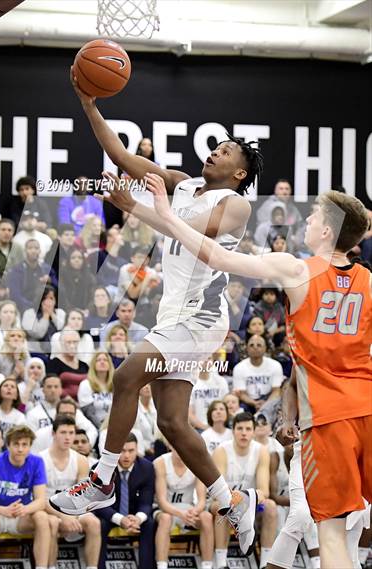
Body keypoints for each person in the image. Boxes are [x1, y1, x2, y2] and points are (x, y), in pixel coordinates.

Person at [50, 70, 264, 555]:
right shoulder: (182, 183)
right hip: (175, 317)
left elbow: (179, 226)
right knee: (171, 422)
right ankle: (233, 500)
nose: (215, 150)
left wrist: (134, 206)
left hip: (203, 319)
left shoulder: (234, 205)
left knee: (126, 376)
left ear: (240, 173)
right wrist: (89, 103)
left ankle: (102, 476)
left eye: (226, 151)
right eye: (217, 146)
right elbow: (123, 158)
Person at [148, 179, 372, 568]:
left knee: (332, 533)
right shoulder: (369, 281)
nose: (307, 219)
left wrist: (166, 215)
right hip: (368, 405)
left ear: (327, 230)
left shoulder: (296, 268)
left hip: (330, 418)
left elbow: (219, 258)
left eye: (316, 214)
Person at [0, 425, 50, 569]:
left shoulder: (37, 462)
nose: (20, 449)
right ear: (8, 445)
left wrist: (25, 509)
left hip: (21, 517)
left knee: (42, 517)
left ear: (30, 446)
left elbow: (41, 501)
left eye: (25, 445)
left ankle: (42, 567)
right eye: (16, 444)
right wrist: (3, 510)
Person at [212, 412, 275, 569]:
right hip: (224, 500)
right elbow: (217, 490)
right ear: (233, 431)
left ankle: (265, 563)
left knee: (271, 507)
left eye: (248, 429)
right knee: (222, 508)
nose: (244, 433)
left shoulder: (261, 451)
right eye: (240, 428)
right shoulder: (221, 450)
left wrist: (245, 498)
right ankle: (221, 563)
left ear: (253, 431)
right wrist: (234, 500)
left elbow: (264, 490)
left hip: (250, 502)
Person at [40, 416, 101, 569]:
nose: (68, 437)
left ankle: (92, 567)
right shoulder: (40, 460)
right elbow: (39, 499)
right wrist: (63, 516)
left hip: (71, 510)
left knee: (94, 522)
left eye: (71, 432)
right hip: (47, 509)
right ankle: (51, 566)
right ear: (54, 434)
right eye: (63, 432)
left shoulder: (80, 460)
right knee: (51, 523)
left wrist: (71, 516)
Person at [93, 433, 155, 569]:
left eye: (131, 451)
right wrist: (120, 519)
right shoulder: (101, 468)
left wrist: (138, 519)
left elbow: (146, 501)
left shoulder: (147, 468)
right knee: (99, 525)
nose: (126, 455)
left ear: (137, 449)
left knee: (149, 523)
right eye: (122, 451)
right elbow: (99, 504)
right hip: (109, 514)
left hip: (133, 514)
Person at [154, 445, 214, 569]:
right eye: (177, 445)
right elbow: (162, 501)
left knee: (207, 517)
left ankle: (207, 565)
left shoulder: (197, 463)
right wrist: (181, 514)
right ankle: (162, 566)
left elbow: (202, 500)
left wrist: (194, 511)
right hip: (164, 509)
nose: (181, 449)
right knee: (165, 519)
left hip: (188, 509)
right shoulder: (160, 463)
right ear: (171, 445)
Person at [233, 335, 283, 413]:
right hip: (248, 402)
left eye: (259, 345)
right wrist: (254, 403)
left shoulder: (275, 365)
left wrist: (266, 404)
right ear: (247, 348)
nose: (255, 347)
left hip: (269, 400)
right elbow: (241, 394)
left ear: (265, 348)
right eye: (251, 345)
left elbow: (276, 391)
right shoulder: (239, 368)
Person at [30, 396, 98, 454]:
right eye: (64, 413)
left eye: (71, 413)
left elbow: (93, 430)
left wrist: (86, 445)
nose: (68, 416)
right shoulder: (41, 434)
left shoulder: (79, 430)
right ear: (56, 415)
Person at [46, 329, 89, 400]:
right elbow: (52, 386)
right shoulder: (54, 364)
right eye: (68, 342)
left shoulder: (84, 365)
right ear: (61, 344)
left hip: (84, 402)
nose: (72, 346)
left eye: (75, 342)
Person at [22, 285, 65, 354]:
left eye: (51, 298)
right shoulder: (29, 313)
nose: (48, 302)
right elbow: (38, 333)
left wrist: (52, 314)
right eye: (45, 298)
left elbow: (62, 329)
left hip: (57, 353)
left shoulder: (60, 312)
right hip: (35, 352)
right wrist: (46, 315)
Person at [189, 358, 229, 431]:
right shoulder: (190, 383)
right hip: (200, 428)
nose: (206, 361)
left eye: (209, 358)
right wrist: (205, 428)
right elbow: (190, 414)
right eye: (203, 358)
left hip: (220, 426)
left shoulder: (221, 381)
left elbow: (226, 406)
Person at [78, 351, 114, 430]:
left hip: (114, 424)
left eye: (105, 360)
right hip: (95, 426)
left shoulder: (116, 385)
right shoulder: (85, 384)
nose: (102, 362)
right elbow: (89, 414)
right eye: (98, 360)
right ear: (93, 364)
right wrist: (102, 429)